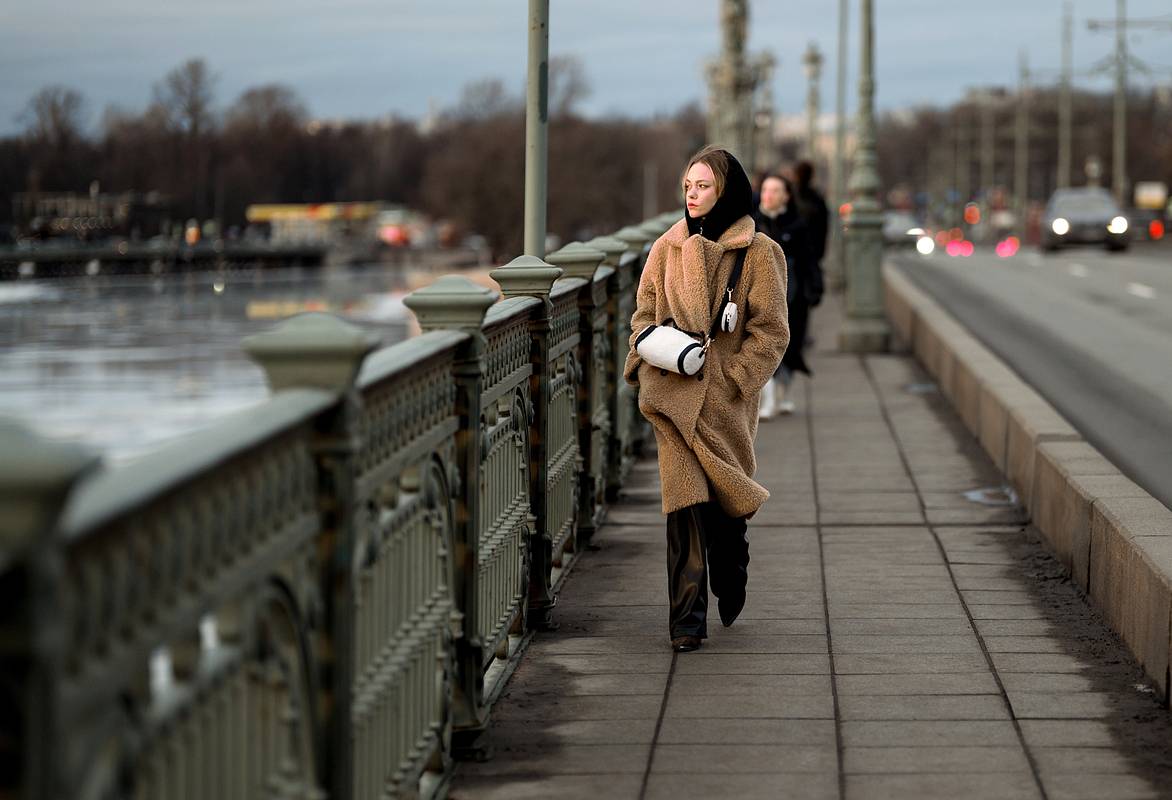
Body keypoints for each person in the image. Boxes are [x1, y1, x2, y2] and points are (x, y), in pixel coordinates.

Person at [623, 145, 790, 653]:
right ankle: (686, 621)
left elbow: (772, 332)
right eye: (688, 186)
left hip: (724, 404)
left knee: (723, 511)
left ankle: (732, 570)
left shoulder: (759, 252)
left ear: (726, 190)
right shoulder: (665, 248)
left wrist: (735, 378)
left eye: (703, 186)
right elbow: (642, 316)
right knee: (684, 507)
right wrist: (649, 353)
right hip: (672, 397)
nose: (692, 196)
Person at [753, 174, 815, 418]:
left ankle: (784, 394)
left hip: (793, 296)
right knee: (761, 345)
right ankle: (767, 400)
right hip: (759, 296)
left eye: (775, 190)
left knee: (789, 346)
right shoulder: (752, 223)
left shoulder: (797, 225)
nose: (769, 194)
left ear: (786, 195)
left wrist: (813, 289)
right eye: (766, 189)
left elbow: (807, 261)